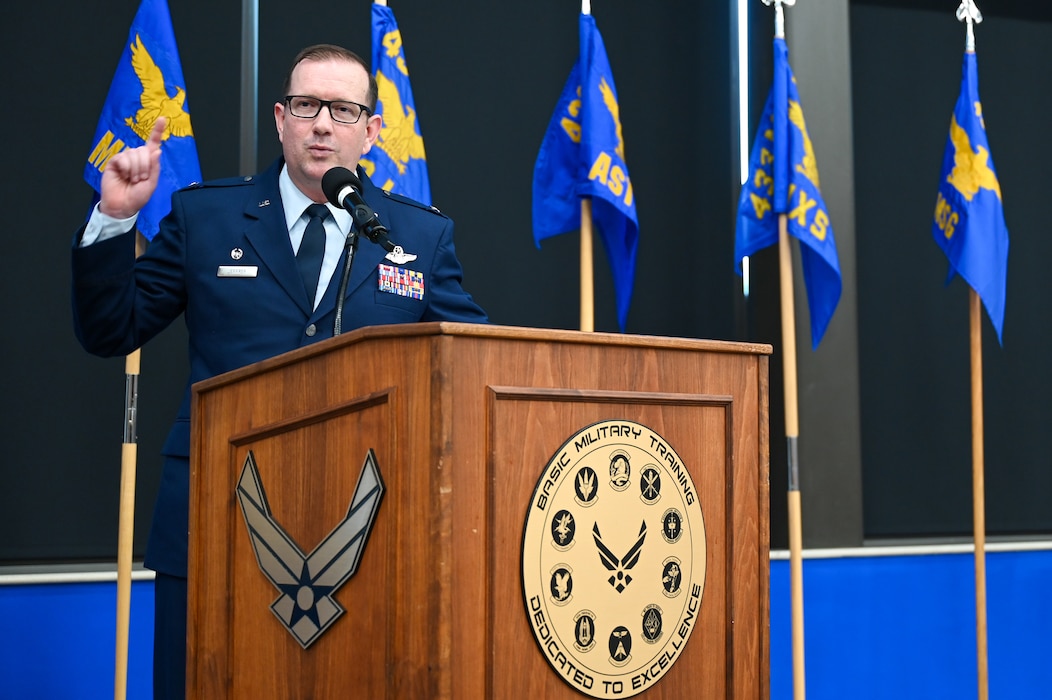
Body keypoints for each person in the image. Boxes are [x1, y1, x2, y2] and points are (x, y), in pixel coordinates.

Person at [72, 44, 487, 699]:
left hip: (363, 532)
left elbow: (475, 360)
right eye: (306, 106)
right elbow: (109, 329)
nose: (322, 124)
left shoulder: (414, 236)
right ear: (280, 118)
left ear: (372, 130)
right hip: (215, 517)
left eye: (343, 109)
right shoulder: (205, 217)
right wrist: (115, 218)